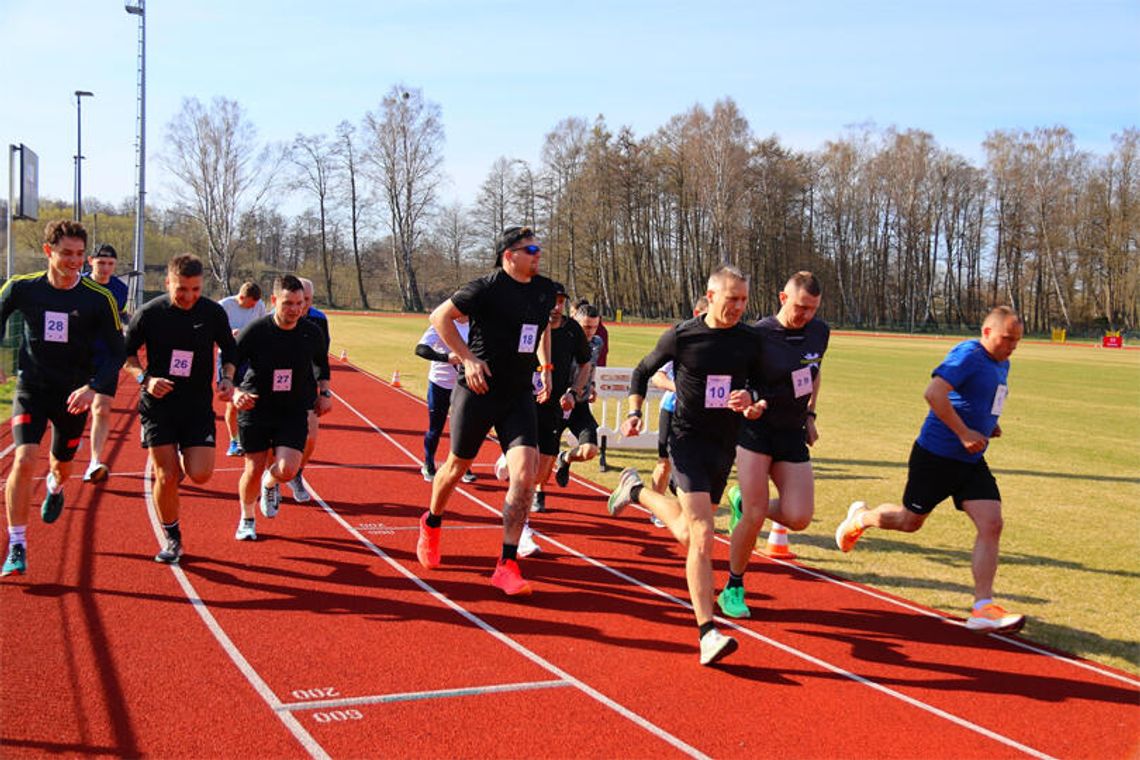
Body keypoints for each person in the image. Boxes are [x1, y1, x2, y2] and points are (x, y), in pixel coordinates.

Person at [605, 266, 766, 665]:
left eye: (744, 300)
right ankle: (707, 632)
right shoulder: (683, 335)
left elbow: (763, 385)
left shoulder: (749, 340)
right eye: (732, 299)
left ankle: (636, 490)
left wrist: (752, 400)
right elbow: (642, 371)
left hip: (723, 444)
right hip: (686, 440)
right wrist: (635, 411)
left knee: (690, 533)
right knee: (703, 535)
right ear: (711, 297)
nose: (739, 307)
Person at [834, 306, 1026, 633]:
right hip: (936, 457)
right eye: (1007, 339)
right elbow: (933, 393)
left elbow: (980, 399)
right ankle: (861, 518)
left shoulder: (1002, 362)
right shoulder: (968, 354)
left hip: (970, 461)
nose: (1012, 347)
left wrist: (987, 425)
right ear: (987, 332)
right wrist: (964, 432)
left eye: (1017, 341)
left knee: (992, 523)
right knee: (909, 522)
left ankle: (983, 607)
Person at [417, 225, 558, 596]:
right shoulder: (486, 287)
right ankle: (432, 523)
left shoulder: (546, 290)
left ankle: (507, 563)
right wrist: (468, 360)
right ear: (508, 255)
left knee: (525, 476)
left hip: (518, 395)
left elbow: (542, 328)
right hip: (478, 390)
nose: (537, 254)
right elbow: (438, 317)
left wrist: (545, 367)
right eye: (530, 249)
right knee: (456, 467)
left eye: (538, 248)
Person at [0, 220, 125, 576]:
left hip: (74, 395)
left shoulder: (98, 299)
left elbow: (117, 352)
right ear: (48, 252)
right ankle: (18, 544)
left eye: (79, 254)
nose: (74, 261)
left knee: (62, 467)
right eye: (66, 253)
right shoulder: (22, 288)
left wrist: (93, 388)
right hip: (31, 388)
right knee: (24, 459)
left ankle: (55, 487)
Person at [717, 272, 828, 619]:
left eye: (812, 309)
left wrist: (810, 414)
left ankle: (742, 499)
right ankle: (733, 587)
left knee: (799, 517)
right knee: (753, 514)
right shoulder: (758, 335)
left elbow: (814, 372)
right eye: (799, 307)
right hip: (756, 430)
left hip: (791, 430)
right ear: (783, 298)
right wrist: (747, 402)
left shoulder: (819, 332)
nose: (805, 315)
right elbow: (738, 381)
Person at [123, 254, 238, 563]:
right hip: (158, 405)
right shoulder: (149, 313)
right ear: (168, 283)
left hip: (197, 404)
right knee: (166, 474)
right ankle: (173, 538)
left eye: (196, 289)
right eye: (182, 289)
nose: (189, 296)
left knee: (200, 474)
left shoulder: (212, 313)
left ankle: (172, 484)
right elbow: (128, 355)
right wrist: (146, 379)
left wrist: (227, 378)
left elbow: (230, 349)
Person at [230, 275, 332, 540]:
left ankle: (270, 482)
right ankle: (247, 519)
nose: (295, 309)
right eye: (288, 303)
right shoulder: (257, 330)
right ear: (274, 301)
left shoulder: (311, 332)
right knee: (252, 468)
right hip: (256, 405)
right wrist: (235, 391)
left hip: (293, 408)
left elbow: (322, 363)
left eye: (300, 303)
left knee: (287, 469)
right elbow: (230, 361)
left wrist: (325, 393)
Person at [531, 286, 592, 515]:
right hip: (525, 397)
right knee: (525, 451)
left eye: (560, 302)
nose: (556, 308)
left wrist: (574, 391)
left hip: (555, 400)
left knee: (547, 453)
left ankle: (538, 489)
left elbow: (586, 363)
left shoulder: (572, 329)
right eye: (552, 301)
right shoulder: (529, 324)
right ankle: (526, 490)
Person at [648, 296, 709, 506]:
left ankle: (679, 489)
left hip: (702, 416)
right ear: (696, 314)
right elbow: (656, 376)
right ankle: (656, 507)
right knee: (664, 463)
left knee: (699, 464)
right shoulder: (682, 342)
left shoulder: (719, 348)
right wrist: (681, 389)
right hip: (672, 409)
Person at [82, 243, 130, 483]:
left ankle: (94, 461)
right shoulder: (78, 284)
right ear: (90, 261)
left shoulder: (120, 289)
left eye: (111, 264)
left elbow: (118, 318)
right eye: (101, 263)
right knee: (69, 412)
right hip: (77, 357)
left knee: (101, 409)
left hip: (106, 357)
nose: (106, 268)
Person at [282, 277, 332, 503]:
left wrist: (324, 392)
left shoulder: (319, 320)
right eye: (299, 301)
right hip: (275, 387)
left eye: (307, 301)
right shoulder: (270, 321)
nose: (302, 307)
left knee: (310, 438)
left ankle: (297, 474)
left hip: (305, 386)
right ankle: (270, 478)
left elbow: (322, 358)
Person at [547, 300, 605, 492]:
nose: (590, 332)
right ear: (574, 322)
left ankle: (565, 458)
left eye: (595, 327)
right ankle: (539, 492)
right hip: (556, 403)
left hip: (579, 403)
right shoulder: (561, 339)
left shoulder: (597, 342)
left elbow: (591, 366)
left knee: (590, 450)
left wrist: (592, 386)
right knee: (545, 456)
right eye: (586, 327)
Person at [414, 313, 476, 483]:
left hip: (464, 384)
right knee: (436, 427)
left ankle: (462, 466)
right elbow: (420, 349)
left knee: (464, 428)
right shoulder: (442, 324)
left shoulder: (475, 324)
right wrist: (446, 358)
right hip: (440, 383)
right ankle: (428, 463)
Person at [218, 281, 266, 457]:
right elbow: (214, 333)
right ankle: (234, 441)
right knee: (232, 401)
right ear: (242, 297)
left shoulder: (259, 305)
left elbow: (263, 326)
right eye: (250, 304)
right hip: (229, 356)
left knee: (254, 398)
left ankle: (253, 438)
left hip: (251, 358)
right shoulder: (224, 306)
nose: (253, 307)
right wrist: (230, 334)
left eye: (255, 304)